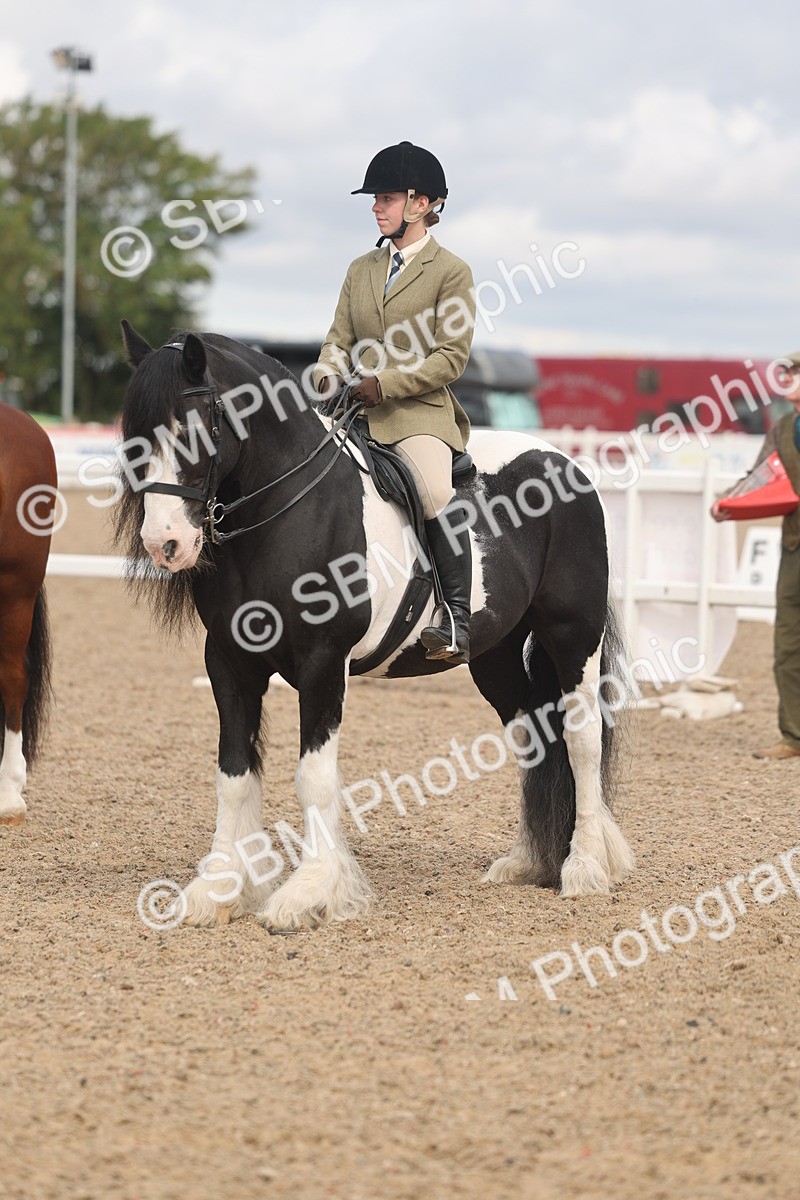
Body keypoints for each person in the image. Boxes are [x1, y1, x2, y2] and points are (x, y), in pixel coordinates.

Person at [312, 141, 476, 663]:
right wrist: (324, 375)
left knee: (431, 491)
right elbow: (339, 339)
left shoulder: (451, 272)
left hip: (417, 415)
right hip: (352, 411)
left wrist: (384, 385)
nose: (376, 207)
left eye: (385, 198)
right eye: (376, 199)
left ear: (420, 204)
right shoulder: (360, 268)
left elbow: (450, 358)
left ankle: (455, 618)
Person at [711, 352, 800, 759]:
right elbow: (760, 476)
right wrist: (729, 502)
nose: (789, 378)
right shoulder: (782, 429)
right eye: (787, 372)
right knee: (788, 645)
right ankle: (794, 736)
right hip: (793, 548)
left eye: (796, 372)